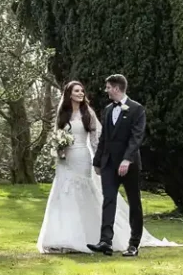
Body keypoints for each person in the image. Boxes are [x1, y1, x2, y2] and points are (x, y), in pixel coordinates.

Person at [36, 81, 104, 253]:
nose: (81, 93)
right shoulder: (63, 113)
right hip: (65, 161)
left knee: (81, 193)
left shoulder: (88, 113)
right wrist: (59, 149)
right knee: (63, 194)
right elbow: (56, 135)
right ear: (69, 94)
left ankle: (87, 237)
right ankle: (60, 238)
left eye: (82, 90)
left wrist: (98, 161)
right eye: (77, 91)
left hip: (82, 157)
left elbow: (95, 139)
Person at [92, 74, 146, 256]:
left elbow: (136, 137)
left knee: (134, 201)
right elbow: (104, 138)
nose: (106, 90)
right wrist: (97, 162)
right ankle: (105, 241)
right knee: (108, 200)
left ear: (116, 88)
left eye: (108, 87)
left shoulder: (137, 109)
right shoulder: (107, 110)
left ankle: (134, 244)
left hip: (128, 164)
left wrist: (127, 159)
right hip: (108, 163)